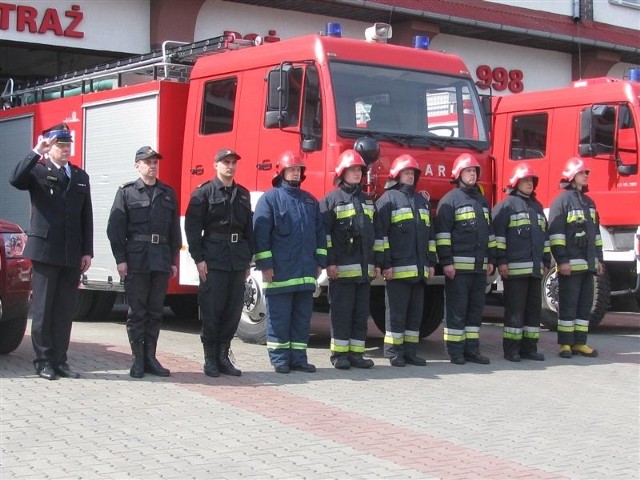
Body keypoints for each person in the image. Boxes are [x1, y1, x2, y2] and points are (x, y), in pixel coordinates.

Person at [9, 122, 93, 380]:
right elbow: (15, 179)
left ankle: (60, 360)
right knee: (44, 309)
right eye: (60, 145)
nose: (66, 150)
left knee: (64, 309)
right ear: (49, 147)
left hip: (71, 252)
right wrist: (37, 150)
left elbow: (85, 216)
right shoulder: (38, 170)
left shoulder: (79, 176)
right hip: (46, 250)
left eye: (68, 145)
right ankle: (44, 361)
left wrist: (86, 251)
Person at [106, 146, 181, 378]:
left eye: (155, 162)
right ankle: (137, 359)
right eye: (147, 162)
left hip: (159, 260)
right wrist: (120, 259)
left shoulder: (167, 193)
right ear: (137, 166)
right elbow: (115, 229)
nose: (152, 165)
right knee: (137, 312)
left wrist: (173, 260)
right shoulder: (127, 192)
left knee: (155, 311)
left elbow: (174, 231)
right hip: (136, 259)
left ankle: (151, 357)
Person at [253, 151, 327, 374]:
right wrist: (265, 265)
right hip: (280, 273)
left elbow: (320, 234)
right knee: (279, 318)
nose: (295, 173)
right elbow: (261, 234)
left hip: (305, 274)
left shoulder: (310, 201)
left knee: (302, 319)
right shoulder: (270, 199)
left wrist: (320, 262)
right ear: (281, 172)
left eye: (298, 170)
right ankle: (279, 359)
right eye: (291, 169)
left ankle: (299, 359)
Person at [184, 148, 253, 377]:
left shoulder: (243, 194)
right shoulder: (203, 193)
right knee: (212, 311)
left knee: (233, 311)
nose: (230, 166)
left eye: (233, 162)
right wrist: (199, 259)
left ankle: (224, 356)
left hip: (236, 260)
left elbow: (248, 230)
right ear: (216, 165)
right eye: (226, 162)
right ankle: (210, 359)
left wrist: (247, 260)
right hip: (213, 259)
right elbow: (193, 228)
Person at [374, 154, 436, 367]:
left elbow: (430, 237)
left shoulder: (422, 202)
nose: (410, 176)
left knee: (414, 315)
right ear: (397, 175)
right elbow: (381, 237)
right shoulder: (387, 200)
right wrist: (385, 264)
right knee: (396, 315)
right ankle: (393, 352)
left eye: (412, 173)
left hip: (419, 272)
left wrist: (430, 264)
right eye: (406, 173)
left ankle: (410, 352)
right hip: (397, 270)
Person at [435, 153, 496, 365]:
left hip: (479, 268)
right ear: (458, 174)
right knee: (456, 311)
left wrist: (491, 259)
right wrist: (447, 262)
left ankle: (472, 350)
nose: (472, 174)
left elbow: (489, 234)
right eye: (468, 170)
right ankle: (455, 352)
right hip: (458, 269)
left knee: (474, 311)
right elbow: (442, 236)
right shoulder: (450, 201)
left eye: (474, 171)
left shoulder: (482, 201)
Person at [320, 150, 376, 370]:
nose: (357, 173)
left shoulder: (368, 201)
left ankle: (357, 354)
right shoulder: (331, 200)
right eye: (352, 169)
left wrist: (377, 263)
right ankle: (339, 355)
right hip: (341, 271)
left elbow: (375, 235)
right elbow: (325, 236)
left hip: (364, 271)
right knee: (342, 314)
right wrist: (330, 263)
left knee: (360, 314)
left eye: (359, 170)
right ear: (342, 172)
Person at [492, 163, 550, 362]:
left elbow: (545, 237)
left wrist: (545, 260)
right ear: (516, 182)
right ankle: (512, 350)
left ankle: (529, 349)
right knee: (515, 312)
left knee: (533, 312)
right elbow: (498, 238)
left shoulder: (537, 207)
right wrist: (501, 262)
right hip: (514, 271)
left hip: (534, 270)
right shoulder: (506, 206)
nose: (529, 184)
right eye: (525, 180)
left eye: (531, 181)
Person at [548, 157, 603, 358]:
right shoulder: (561, 202)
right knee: (568, 306)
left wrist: (599, 260)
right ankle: (565, 344)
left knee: (584, 305)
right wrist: (562, 260)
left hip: (588, 266)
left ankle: (580, 342)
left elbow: (595, 235)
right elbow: (556, 235)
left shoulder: (589, 203)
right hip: (569, 266)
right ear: (572, 176)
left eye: (586, 173)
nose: (586, 176)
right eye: (582, 173)